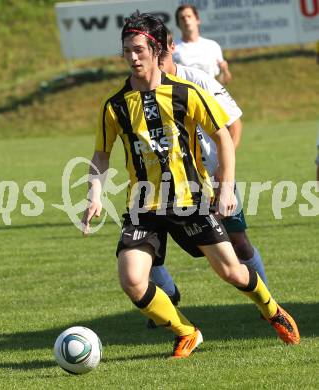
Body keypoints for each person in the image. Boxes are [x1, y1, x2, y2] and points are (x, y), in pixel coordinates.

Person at [82, 11, 300, 359]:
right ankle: (186, 331)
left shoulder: (185, 94)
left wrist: (226, 187)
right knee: (131, 279)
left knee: (231, 272)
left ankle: (270, 307)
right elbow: (101, 155)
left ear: (156, 50)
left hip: (190, 200)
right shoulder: (115, 106)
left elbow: (223, 138)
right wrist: (94, 193)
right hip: (143, 207)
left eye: (139, 49)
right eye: (127, 51)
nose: (133, 57)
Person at [148, 32, 269, 328]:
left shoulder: (197, 80)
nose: (158, 62)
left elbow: (234, 124)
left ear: (172, 49)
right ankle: (167, 295)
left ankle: (267, 301)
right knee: (144, 246)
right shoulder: (145, 91)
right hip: (169, 182)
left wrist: (223, 173)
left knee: (238, 242)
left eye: (162, 55)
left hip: (212, 176)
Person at [173, 4, 232, 84]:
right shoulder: (172, 48)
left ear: (197, 20)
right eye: (182, 18)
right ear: (178, 24)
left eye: (189, 16)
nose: (186, 20)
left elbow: (224, 81)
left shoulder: (212, 46)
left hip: (209, 95)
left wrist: (224, 71)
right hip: (185, 95)